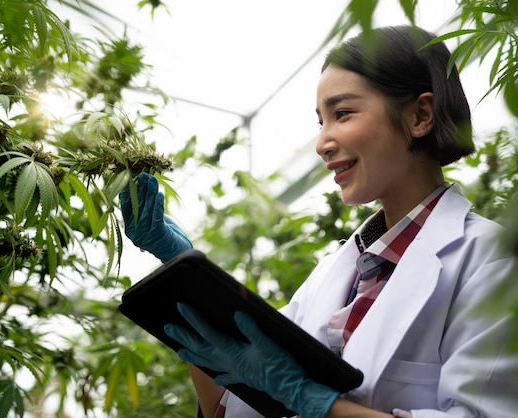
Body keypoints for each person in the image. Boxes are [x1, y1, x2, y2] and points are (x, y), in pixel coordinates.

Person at [119, 25, 518, 418]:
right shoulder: (335, 274)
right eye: (321, 121)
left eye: (342, 113)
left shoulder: (491, 262)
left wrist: (313, 402)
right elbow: (229, 408)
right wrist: (186, 277)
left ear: (420, 115)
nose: (322, 143)